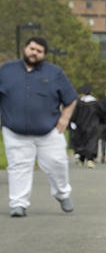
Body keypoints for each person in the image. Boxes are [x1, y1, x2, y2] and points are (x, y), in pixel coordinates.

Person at [0, 37, 76, 216]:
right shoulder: (6, 70)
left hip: (49, 131)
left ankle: (62, 194)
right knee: (19, 166)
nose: (34, 53)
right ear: (25, 48)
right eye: (32, 48)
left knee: (57, 163)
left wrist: (64, 119)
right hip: (14, 131)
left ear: (44, 54)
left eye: (39, 51)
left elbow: (71, 98)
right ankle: (18, 204)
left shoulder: (54, 72)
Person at [69, 84, 101, 167]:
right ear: (91, 93)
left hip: (81, 125)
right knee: (92, 141)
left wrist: (72, 122)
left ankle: (82, 158)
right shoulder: (95, 103)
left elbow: (74, 114)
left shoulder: (79, 103)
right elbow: (101, 114)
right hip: (93, 125)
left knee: (82, 141)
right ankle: (90, 159)